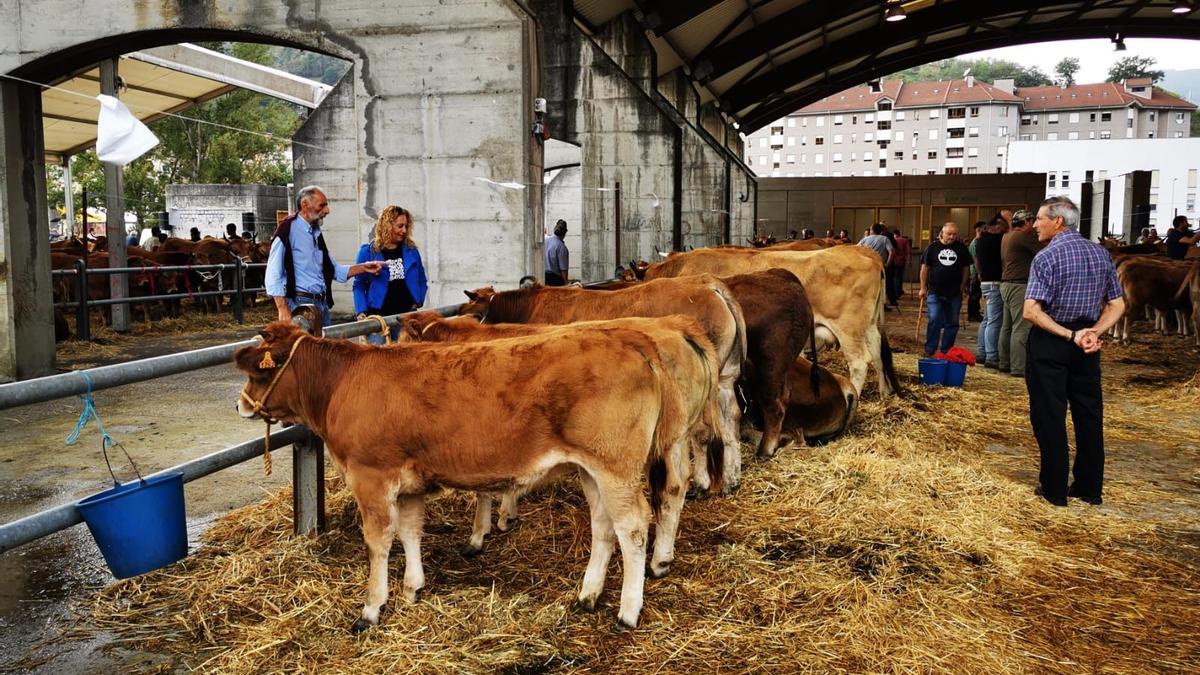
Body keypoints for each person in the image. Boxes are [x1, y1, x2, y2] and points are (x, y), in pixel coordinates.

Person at [1023, 196, 1124, 507]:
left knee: (1049, 415)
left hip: (1054, 341)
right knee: (1089, 415)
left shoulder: (1046, 258)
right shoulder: (1100, 254)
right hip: (1087, 346)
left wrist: (1072, 335)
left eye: (1040, 218)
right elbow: (1118, 305)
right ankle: (1088, 488)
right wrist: (1094, 332)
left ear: (1058, 221)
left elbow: (1031, 311)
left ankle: (1053, 489)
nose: (1035, 225)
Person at [265, 185, 382, 327]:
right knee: (307, 349)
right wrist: (282, 308)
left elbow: (335, 271)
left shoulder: (315, 233)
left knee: (323, 348)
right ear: (305, 205)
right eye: (322, 205)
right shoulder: (287, 229)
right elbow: (272, 273)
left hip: (321, 304)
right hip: (300, 305)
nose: (327, 210)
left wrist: (364, 267)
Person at [353, 205, 428, 343]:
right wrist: (361, 311)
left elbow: (422, 279)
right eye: (400, 226)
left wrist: (418, 300)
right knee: (379, 362)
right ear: (387, 226)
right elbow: (359, 285)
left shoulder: (412, 250)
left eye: (406, 226)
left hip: (406, 317)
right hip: (377, 321)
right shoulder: (367, 252)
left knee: (407, 361)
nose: (404, 231)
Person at [998, 210, 1045, 377]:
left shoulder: (1007, 236)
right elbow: (1044, 250)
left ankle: (1004, 362)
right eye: (1033, 222)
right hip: (1019, 285)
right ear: (1026, 223)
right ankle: (1018, 368)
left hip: (1007, 284)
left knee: (1007, 326)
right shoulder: (1023, 237)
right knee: (1021, 327)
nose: (1035, 226)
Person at [919, 222, 971, 357]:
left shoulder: (961, 248)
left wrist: (963, 285)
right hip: (935, 290)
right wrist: (923, 287)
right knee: (935, 318)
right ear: (942, 233)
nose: (952, 237)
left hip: (954, 292)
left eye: (954, 234)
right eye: (949, 234)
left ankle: (946, 350)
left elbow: (966, 268)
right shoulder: (932, 247)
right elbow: (925, 268)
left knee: (952, 322)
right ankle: (930, 348)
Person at [973, 216, 1007, 368]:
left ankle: (981, 352)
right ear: (998, 226)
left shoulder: (980, 241)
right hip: (995, 282)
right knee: (994, 320)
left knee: (987, 319)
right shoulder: (997, 240)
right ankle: (992, 355)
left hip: (986, 281)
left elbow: (976, 262)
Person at [966, 221, 986, 322]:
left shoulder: (979, 242)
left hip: (976, 272)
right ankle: (972, 314)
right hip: (974, 272)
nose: (986, 230)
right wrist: (979, 273)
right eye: (984, 228)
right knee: (974, 294)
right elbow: (975, 259)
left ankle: (975, 313)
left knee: (976, 294)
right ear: (978, 229)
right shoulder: (975, 243)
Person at [889, 228, 911, 307]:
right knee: (899, 277)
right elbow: (908, 251)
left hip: (892, 261)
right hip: (901, 261)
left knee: (893, 277)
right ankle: (898, 292)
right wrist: (909, 260)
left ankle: (895, 293)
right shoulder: (905, 240)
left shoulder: (891, 240)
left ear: (894, 234)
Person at [545, 219, 570, 286]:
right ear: (565, 233)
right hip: (554, 279)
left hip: (542, 276)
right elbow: (563, 270)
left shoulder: (545, 240)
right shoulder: (562, 247)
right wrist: (566, 284)